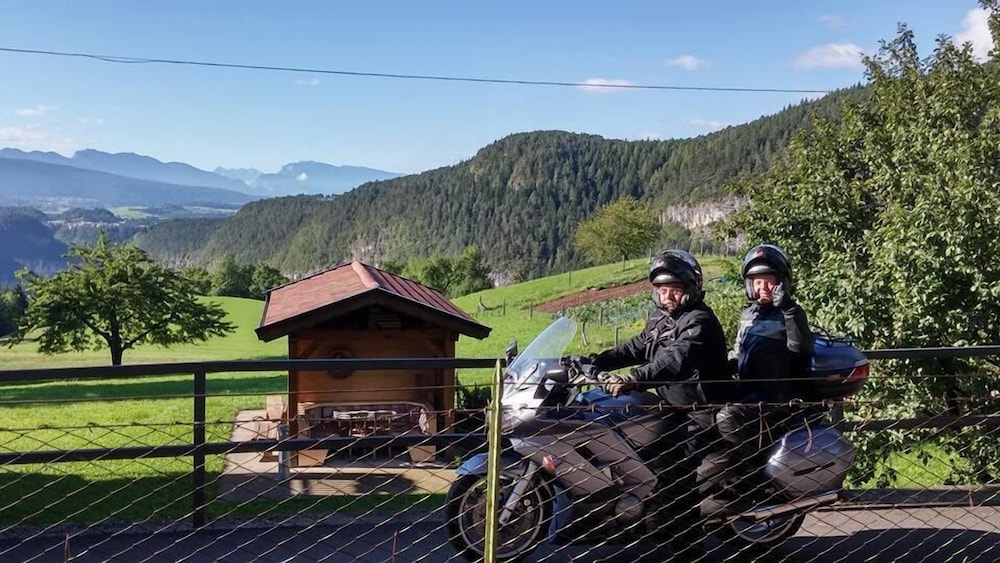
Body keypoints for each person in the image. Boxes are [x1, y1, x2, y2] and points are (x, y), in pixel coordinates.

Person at [588, 249, 729, 559]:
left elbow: (676, 359)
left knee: (675, 470)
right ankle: (646, 524)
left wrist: (635, 377)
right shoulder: (660, 320)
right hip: (667, 408)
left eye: (674, 289)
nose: (668, 296)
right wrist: (594, 361)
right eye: (662, 290)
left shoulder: (699, 321)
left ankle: (688, 548)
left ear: (690, 288)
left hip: (699, 411)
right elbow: (634, 348)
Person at [700, 243, 815, 515]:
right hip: (748, 388)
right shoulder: (748, 314)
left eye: (769, 281)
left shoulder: (791, 312)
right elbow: (738, 350)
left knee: (728, 417)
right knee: (703, 407)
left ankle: (751, 474)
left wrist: (788, 308)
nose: (763, 287)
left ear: (782, 283)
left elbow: (801, 346)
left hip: (775, 395)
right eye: (757, 281)